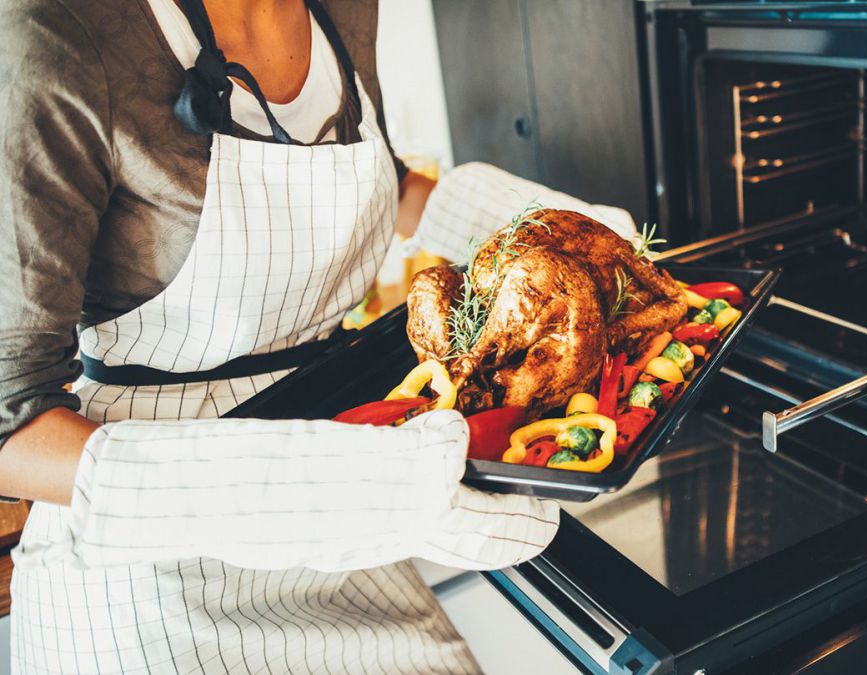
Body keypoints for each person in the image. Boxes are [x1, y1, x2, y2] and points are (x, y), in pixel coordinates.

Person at [0, 0, 590, 672]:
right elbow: (10, 427)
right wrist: (321, 490)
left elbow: (382, 182)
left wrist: (555, 238)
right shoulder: (58, 34)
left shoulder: (345, 10)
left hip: (343, 512)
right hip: (149, 571)